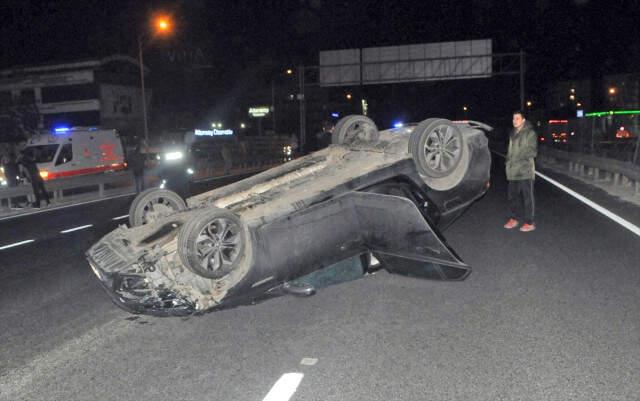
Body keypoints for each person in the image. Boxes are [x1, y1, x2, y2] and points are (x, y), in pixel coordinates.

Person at [504, 110, 538, 232]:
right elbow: (510, 151)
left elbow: (533, 151)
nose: (515, 121)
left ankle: (529, 222)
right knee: (512, 197)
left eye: (517, 118)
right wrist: (508, 161)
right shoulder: (512, 133)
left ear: (523, 120)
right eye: (513, 118)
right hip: (513, 170)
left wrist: (518, 157)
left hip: (525, 170)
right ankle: (514, 219)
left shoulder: (530, 133)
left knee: (527, 198)